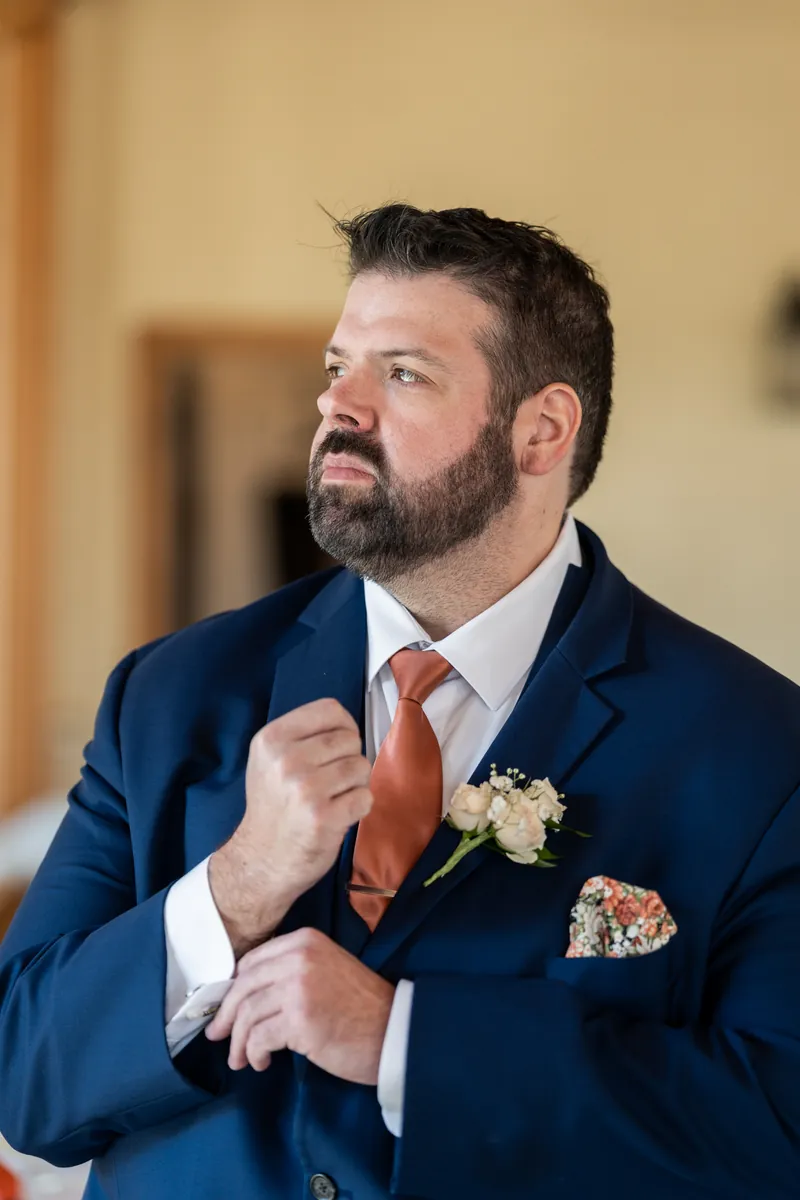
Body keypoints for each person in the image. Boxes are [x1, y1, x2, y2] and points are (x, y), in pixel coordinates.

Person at [1, 205, 799, 1200]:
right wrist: (238, 887)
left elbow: (773, 1134)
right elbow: (21, 1080)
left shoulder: (757, 751)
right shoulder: (167, 697)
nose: (341, 405)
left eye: (403, 372)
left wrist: (408, 1046)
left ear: (541, 430)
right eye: (337, 365)